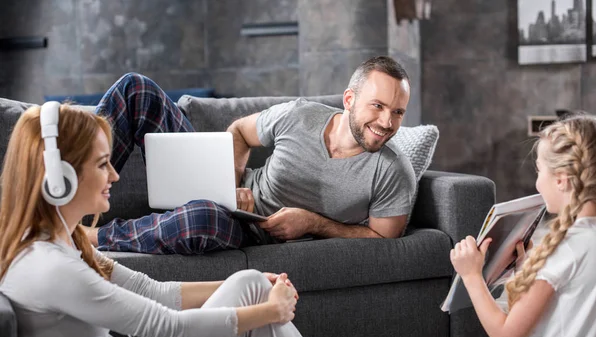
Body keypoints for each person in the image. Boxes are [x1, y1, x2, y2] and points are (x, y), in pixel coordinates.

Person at [0, 103, 356, 337]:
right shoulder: (51, 268)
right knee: (257, 301)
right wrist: (268, 310)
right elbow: (168, 326)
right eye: (101, 163)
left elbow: (153, 291)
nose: (115, 175)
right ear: (59, 180)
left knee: (250, 281)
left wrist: (256, 294)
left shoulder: (58, 243)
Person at [83, 55, 416, 254]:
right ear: (348, 100)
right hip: (228, 194)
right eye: (378, 106)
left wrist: (313, 223)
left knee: (203, 219)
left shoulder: (393, 169)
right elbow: (241, 130)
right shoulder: (299, 115)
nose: (387, 122)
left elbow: (383, 237)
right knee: (136, 88)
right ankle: (60, 208)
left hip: (250, 234)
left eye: (398, 112)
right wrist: (229, 183)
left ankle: (92, 237)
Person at [448, 115, 596, 337]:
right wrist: (527, 273)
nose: (538, 184)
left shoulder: (564, 249)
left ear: (562, 180)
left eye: (539, 171)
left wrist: (471, 275)